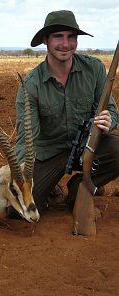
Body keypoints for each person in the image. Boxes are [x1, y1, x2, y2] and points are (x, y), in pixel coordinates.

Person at [7, 10, 119, 218]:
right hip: (49, 154)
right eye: (58, 36)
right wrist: (19, 175)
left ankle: (80, 185)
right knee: (17, 211)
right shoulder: (30, 87)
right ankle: (51, 189)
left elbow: (111, 110)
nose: (66, 44)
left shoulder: (94, 69)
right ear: (45, 40)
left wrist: (109, 121)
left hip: (87, 146)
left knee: (117, 150)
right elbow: (25, 141)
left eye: (71, 37)